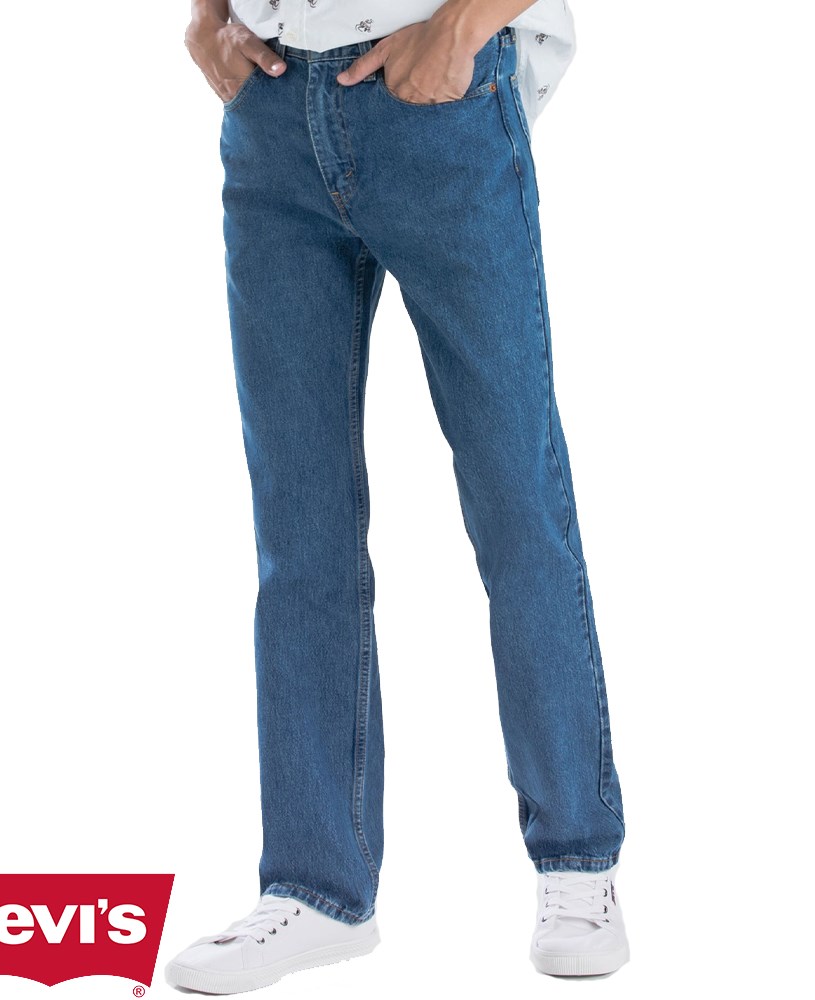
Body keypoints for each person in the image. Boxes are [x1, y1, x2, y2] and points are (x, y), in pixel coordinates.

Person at [166, 0, 629, 992]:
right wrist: (206, 14)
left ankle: (577, 862)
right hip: (272, 108)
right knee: (299, 526)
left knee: (516, 499)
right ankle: (314, 886)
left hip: (439, 106)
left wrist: (459, 29)